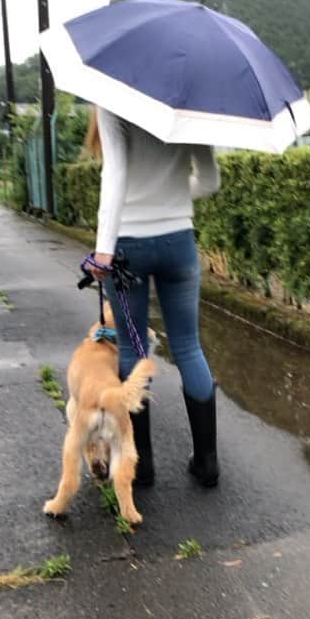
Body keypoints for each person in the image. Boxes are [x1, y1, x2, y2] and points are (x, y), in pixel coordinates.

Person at [85, 106, 221, 488]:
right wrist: (174, 198)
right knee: (189, 347)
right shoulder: (191, 102)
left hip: (127, 244)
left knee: (131, 351)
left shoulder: (113, 99)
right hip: (179, 241)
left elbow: (115, 174)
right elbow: (210, 182)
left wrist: (103, 250)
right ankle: (207, 463)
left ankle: (139, 467)